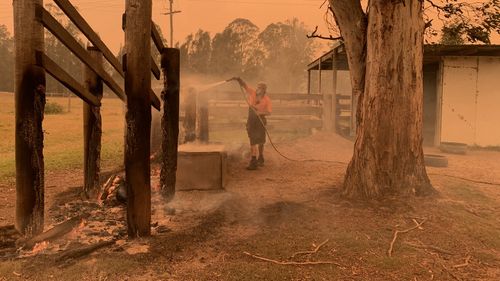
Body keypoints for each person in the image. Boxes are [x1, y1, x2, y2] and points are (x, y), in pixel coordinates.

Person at [229, 77, 272, 170]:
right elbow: (245, 86)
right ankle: (253, 160)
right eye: (258, 87)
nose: (258, 89)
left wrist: (260, 113)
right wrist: (239, 79)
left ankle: (260, 157)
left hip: (261, 120)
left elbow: (269, 112)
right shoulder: (252, 92)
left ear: (264, 90)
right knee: (252, 139)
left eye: (261, 88)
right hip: (251, 119)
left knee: (260, 140)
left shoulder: (267, 100)